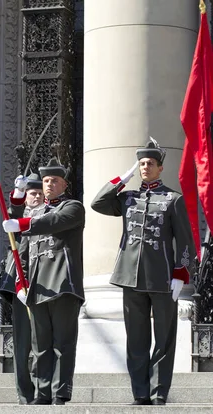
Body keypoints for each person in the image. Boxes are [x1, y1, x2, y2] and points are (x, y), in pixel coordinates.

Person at [91, 140, 195, 406]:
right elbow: (98, 203)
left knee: (164, 340)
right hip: (130, 277)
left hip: (162, 278)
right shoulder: (127, 198)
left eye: (150, 163)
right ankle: (140, 393)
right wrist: (121, 179)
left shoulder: (173, 199)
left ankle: (159, 392)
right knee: (136, 340)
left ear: (160, 168)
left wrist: (180, 274)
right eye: (141, 164)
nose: (145, 167)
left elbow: (185, 239)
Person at [2, 158, 85, 405]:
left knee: (62, 343)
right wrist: (20, 284)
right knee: (40, 346)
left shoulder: (72, 207)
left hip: (62, 284)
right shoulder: (35, 212)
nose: (49, 185)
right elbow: (23, 252)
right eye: (46, 181)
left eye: (54, 181)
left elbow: (53, 223)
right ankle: (43, 392)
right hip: (37, 288)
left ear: (64, 185)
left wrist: (22, 223)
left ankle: (60, 392)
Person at [0, 173, 44, 404]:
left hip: (45, 284)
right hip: (21, 286)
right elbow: (13, 214)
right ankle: (25, 393)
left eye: (39, 193)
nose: (36, 196)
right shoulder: (18, 219)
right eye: (32, 193)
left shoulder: (49, 215)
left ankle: (43, 388)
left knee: (43, 341)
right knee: (23, 342)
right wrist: (17, 192)